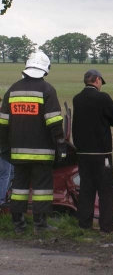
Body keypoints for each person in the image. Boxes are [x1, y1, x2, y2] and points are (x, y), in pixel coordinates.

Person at [0, 51, 67, 234]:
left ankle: (18, 225)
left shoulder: (12, 90)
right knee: (42, 189)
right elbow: (54, 122)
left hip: (18, 153)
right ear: (45, 69)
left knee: (19, 188)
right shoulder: (47, 90)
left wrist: (4, 147)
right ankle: (40, 225)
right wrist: (61, 145)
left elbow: (3, 123)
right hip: (42, 152)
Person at [72, 69, 113, 233]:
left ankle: (84, 224)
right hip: (101, 154)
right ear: (97, 80)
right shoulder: (103, 97)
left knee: (86, 189)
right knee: (106, 191)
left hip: (83, 153)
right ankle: (106, 227)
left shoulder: (77, 99)